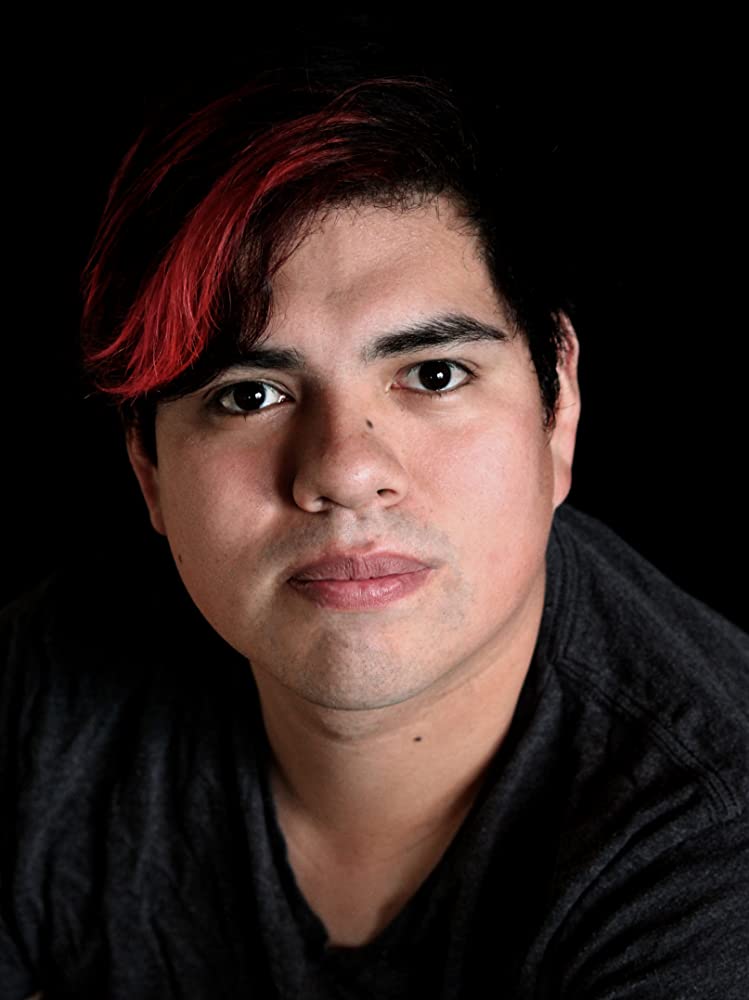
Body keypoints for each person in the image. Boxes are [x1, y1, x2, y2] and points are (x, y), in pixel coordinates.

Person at [1, 64, 747, 1000]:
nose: (344, 472)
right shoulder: (44, 691)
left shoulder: (714, 852)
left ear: (556, 410)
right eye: (249, 395)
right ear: (148, 469)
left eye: (433, 374)